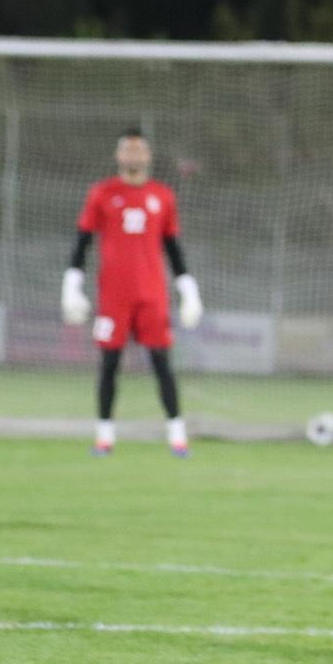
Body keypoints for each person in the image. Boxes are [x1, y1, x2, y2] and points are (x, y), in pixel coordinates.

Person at [61, 129, 203, 456]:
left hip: (152, 295)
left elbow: (173, 248)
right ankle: (104, 437)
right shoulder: (102, 193)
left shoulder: (163, 196)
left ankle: (177, 436)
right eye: (128, 150)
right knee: (109, 363)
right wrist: (71, 286)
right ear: (119, 155)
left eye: (139, 150)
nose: (133, 156)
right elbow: (82, 242)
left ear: (148, 156)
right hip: (113, 296)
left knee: (161, 362)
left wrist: (189, 291)